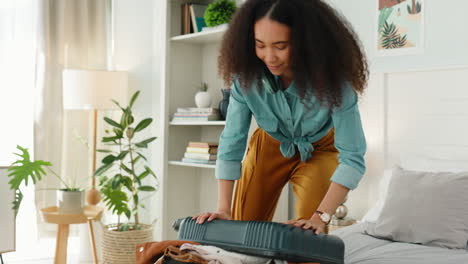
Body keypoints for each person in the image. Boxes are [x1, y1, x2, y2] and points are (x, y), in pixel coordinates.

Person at [193, 0, 368, 235]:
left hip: (322, 148)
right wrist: (224, 209)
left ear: (306, 43)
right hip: (269, 145)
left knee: (307, 233)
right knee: (242, 230)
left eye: (280, 46)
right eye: (260, 45)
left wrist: (321, 217)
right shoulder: (246, 80)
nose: (269, 57)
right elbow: (232, 142)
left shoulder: (337, 85)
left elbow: (352, 158)